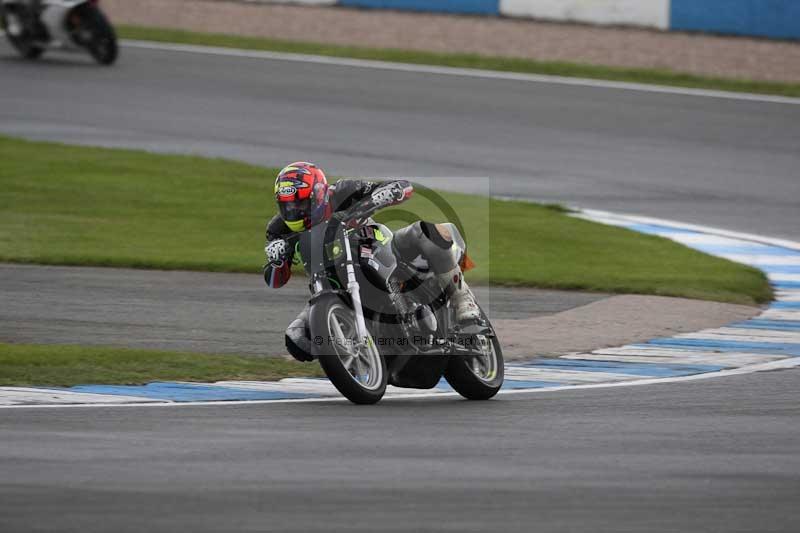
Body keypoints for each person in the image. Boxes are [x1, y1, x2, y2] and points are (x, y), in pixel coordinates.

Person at [263, 162, 480, 362]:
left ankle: (463, 301)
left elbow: (403, 187)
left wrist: (383, 195)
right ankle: (357, 354)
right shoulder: (278, 230)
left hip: (376, 246)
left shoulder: (343, 191)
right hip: (328, 284)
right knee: (296, 338)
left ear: (318, 194)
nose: (293, 211)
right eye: (287, 206)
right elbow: (274, 281)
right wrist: (277, 261)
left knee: (423, 232)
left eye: (300, 204)